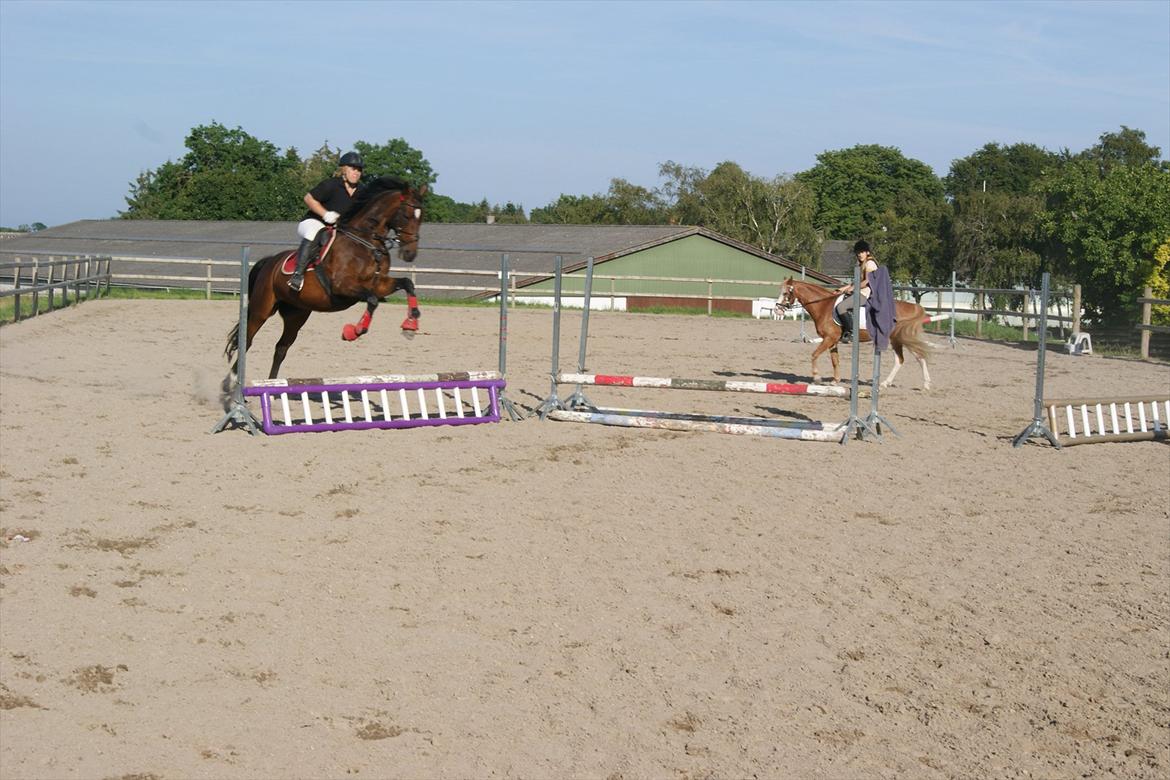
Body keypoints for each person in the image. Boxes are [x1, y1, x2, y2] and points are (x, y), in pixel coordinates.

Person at [289, 151, 366, 291]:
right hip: (314, 221)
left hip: (339, 228)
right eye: (353, 168)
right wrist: (325, 214)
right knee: (314, 232)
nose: (356, 172)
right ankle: (297, 274)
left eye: (359, 170)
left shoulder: (362, 191)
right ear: (344, 169)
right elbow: (308, 198)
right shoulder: (331, 185)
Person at [835, 240, 879, 341]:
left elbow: (868, 281)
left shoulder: (870, 264)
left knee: (841, 307)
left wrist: (853, 288)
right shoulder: (861, 264)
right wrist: (842, 289)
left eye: (862, 252)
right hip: (860, 291)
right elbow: (855, 282)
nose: (859, 254)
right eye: (858, 252)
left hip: (867, 294)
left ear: (867, 252)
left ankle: (851, 332)